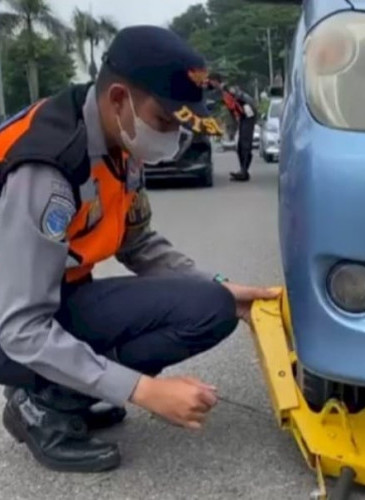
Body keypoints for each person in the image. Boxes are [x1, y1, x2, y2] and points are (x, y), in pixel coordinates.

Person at [0, 25, 278, 473]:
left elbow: (139, 242)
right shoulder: (49, 167)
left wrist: (224, 286)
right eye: (165, 121)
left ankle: (68, 391)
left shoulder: (119, 141)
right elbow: (20, 328)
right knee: (41, 336)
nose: (170, 135)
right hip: (12, 324)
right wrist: (143, 390)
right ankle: (40, 405)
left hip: (53, 297)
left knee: (211, 306)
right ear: (117, 99)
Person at [207, 73, 258, 182]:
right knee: (240, 145)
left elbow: (241, 98)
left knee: (245, 144)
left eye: (211, 81)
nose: (210, 84)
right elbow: (230, 107)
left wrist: (244, 111)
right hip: (243, 116)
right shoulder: (222, 92)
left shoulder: (227, 89)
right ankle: (243, 170)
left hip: (248, 114)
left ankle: (244, 172)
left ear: (215, 81)